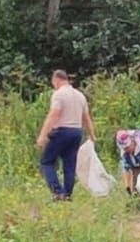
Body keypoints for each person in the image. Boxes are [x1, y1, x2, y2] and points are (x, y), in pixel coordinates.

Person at [35, 70, 97, 200]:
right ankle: (67, 194)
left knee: (47, 162)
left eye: (53, 83)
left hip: (62, 132)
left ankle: (58, 192)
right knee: (69, 165)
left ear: (56, 80)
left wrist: (42, 135)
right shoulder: (80, 95)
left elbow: (54, 114)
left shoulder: (59, 94)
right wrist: (92, 135)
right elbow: (86, 117)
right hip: (76, 132)